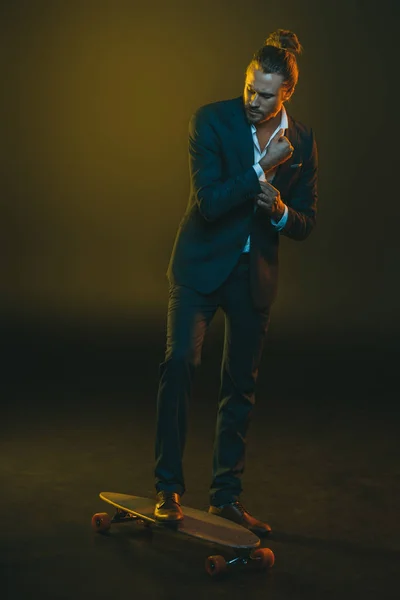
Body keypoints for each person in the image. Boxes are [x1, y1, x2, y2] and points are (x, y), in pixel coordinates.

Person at [153, 29, 318, 536]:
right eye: (250, 88)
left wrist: (282, 212)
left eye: (265, 94)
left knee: (239, 387)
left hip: (254, 276)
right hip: (200, 267)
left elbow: (307, 221)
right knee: (181, 361)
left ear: (285, 92)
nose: (253, 100)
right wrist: (259, 169)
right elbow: (208, 203)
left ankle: (226, 497)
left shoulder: (303, 141)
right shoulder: (210, 120)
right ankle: (167, 489)